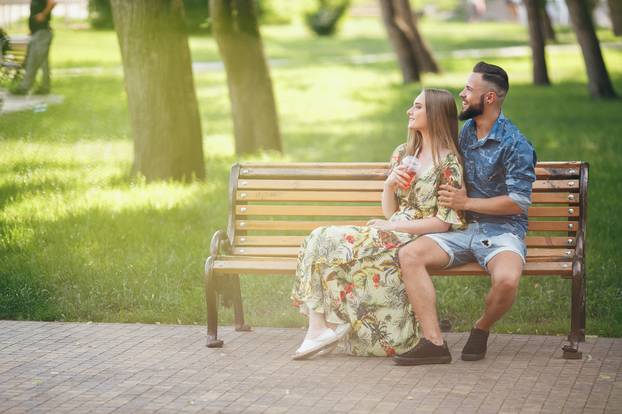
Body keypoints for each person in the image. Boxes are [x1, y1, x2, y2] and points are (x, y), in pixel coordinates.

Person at [290, 88, 466, 360]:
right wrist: (388, 184)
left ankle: (321, 328)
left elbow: (443, 223)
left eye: (417, 107)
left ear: (435, 114)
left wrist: (393, 227)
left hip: (415, 235)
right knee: (318, 237)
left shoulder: (449, 163)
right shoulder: (404, 153)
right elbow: (390, 210)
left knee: (324, 238)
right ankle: (317, 326)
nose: (410, 111)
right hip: (393, 227)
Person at [393, 62, 537, 366]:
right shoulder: (465, 134)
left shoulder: (515, 144)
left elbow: (518, 202)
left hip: (502, 232)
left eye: (469, 89)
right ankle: (434, 344)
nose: (462, 93)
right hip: (459, 231)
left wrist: (466, 203)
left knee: (508, 280)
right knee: (410, 256)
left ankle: (481, 328)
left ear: (489, 98)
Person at [11, 0, 56, 95]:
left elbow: (52, 2)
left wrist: (43, 15)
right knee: (43, 63)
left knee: (33, 61)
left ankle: (24, 88)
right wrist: (33, 30)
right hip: (38, 33)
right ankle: (45, 88)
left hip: (42, 33)